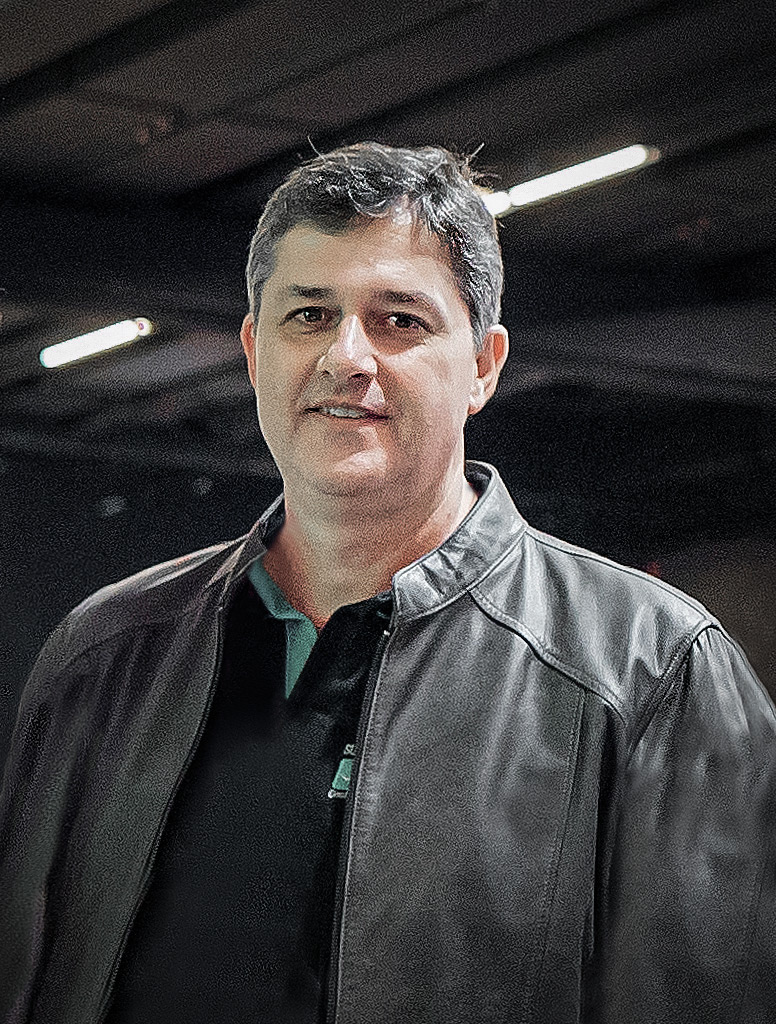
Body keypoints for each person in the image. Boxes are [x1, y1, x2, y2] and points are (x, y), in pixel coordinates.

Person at [1, 142, 774, 1024]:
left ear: (483, 365)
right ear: (255, 351)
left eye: (399, 320)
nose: (347, 356)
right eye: (309, 315)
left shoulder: (656, 672)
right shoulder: (105, 654)